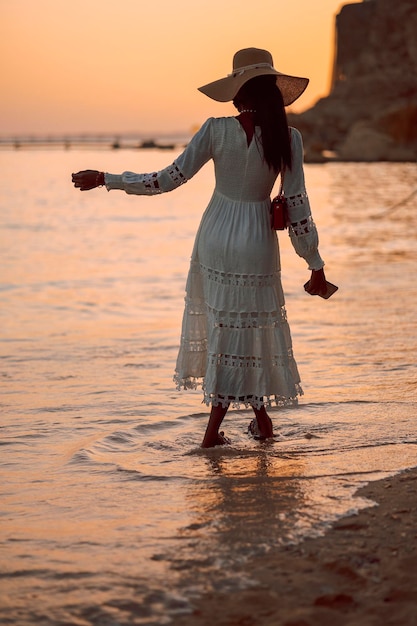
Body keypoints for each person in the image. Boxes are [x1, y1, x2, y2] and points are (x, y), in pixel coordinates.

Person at [72, 47, 329, 448]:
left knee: (226, 328)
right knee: (252, 326)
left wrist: (109, 177)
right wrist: (314, 262)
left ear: (238, 93)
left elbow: (166, 179)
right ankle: (250, 426)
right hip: (257, 239)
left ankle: (227, 431)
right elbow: (296, 205)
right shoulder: (288, 138)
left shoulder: (216, 129)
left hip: (215, 236)